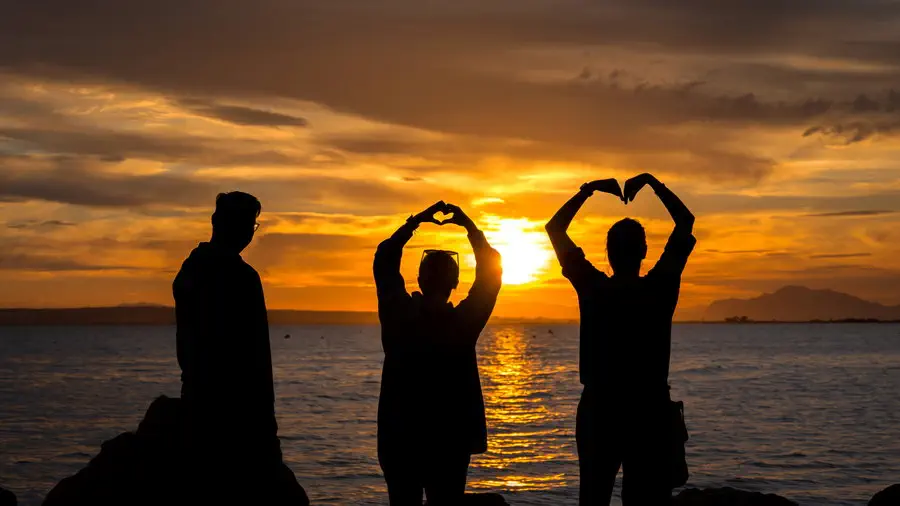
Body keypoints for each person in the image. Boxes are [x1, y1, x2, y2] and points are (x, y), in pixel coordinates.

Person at [545, 174, 696, 505]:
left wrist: (588, 191)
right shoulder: (659, 288)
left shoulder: (594, 288)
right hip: (649, 411)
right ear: (644, 250)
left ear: (608, 252)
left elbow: (554, 229)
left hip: (601, 409)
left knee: (594, 498)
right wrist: (652, 184)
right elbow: (685, 221)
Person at [173, 191, 307, 505]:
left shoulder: (190, 269)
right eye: (248, 224)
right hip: (236, 414)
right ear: (222, 223)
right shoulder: (241, 277)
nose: (250, 233)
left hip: (198, 400)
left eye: (253, 226)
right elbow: (257, 356)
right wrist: (266, 426)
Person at [374, 201, 503, 506]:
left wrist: (414, 222)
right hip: (450, 441)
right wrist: (470, 227)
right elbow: (490, 275)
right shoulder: (464, 322)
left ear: (419, 280)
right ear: (456, 284)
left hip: (399, 437)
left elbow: (384, 260)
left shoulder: (398, 313)